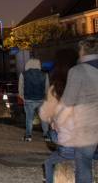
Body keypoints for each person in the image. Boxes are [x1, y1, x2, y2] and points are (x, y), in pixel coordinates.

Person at [57, 37, 98, 183]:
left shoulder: (77, 70)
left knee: (84, 163)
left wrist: (58, 121)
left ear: (82, 51)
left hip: (88, 125)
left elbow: (68, 101)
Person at [39, 47, 80, 183]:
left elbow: (44, 115)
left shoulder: (57, 88)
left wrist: (52, 123)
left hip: (69, 144)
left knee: (49, 163)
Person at [18, 57, 49, 141]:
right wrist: (46, 98)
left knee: (29, 118)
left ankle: (28, 136)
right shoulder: (44, 74)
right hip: (41, 99)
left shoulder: (23, 74)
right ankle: (46, 135)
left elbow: (20, 87)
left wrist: (22, 97)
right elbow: (47, 88)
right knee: (43, 118)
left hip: (28, 99)